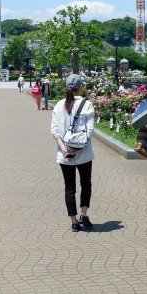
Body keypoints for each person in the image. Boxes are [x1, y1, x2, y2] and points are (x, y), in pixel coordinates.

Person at [51, 74, 95, 232]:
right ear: (80, 87)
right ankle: (84, 214)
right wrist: (79, 150)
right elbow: (90, 131)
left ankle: (74, 222)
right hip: (84, 153)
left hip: (64, 154)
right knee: (86, 183)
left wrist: (64, 149)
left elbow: (54, 130)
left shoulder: (58, 105)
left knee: (69, 188)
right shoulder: (87, 104)